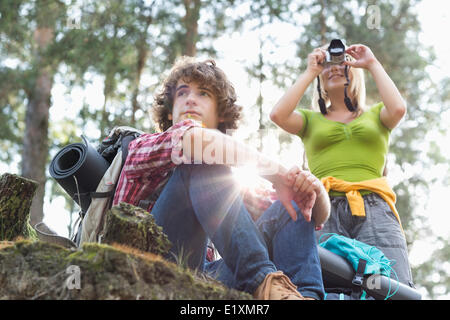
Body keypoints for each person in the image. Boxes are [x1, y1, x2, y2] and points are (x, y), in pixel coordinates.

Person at [113, 56, 330, 300]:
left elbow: (307, 213)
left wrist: (312, 189)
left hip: (205, 275)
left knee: (287, 206)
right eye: (182, 93)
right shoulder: (143, 147)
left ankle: (303, 296)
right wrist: (278, 174)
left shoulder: (225, 182)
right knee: (198, 157)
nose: (191, 99)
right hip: (144, 269)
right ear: (170, 114)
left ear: (221, 115)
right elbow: (198, 142)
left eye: (203, 93)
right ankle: (265, 283)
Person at [270, 41, 414, 288]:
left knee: (391, 284)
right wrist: (310, 71)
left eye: (339, 62)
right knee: (323, 282)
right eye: (326, 65)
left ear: (353, 70)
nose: (332, 68)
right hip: (324, 208)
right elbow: (278, 115)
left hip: (374, 206)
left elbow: (399, 108)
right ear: (320, 80)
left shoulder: (377, 115)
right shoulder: (310, 120)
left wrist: (371, 63)